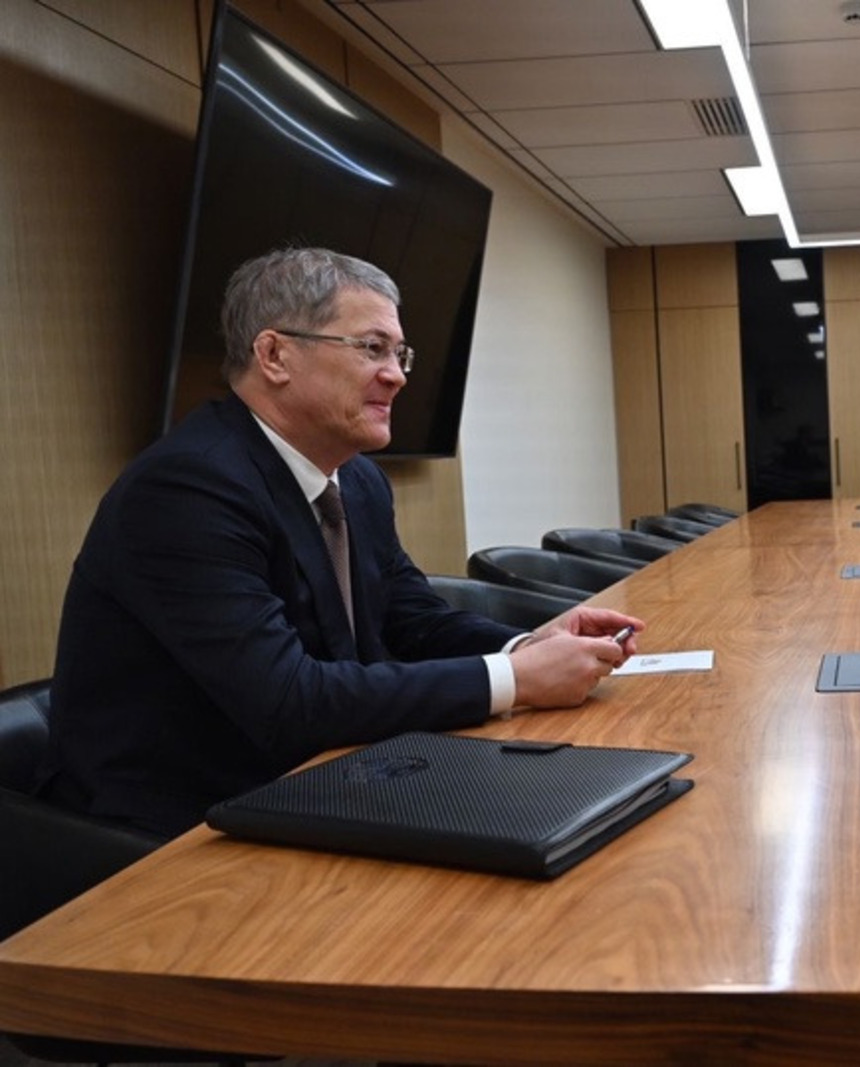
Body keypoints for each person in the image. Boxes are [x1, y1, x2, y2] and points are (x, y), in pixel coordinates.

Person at [40, 247, 643, 837]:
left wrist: (528, 644)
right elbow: (287, 701)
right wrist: (516, 678)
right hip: (180, 829)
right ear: (274, 355)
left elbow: (411, 618)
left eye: (400, 353)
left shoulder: (357, 480)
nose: (397, 375)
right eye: (372, 348)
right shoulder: (188, 487)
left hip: (328, 778)